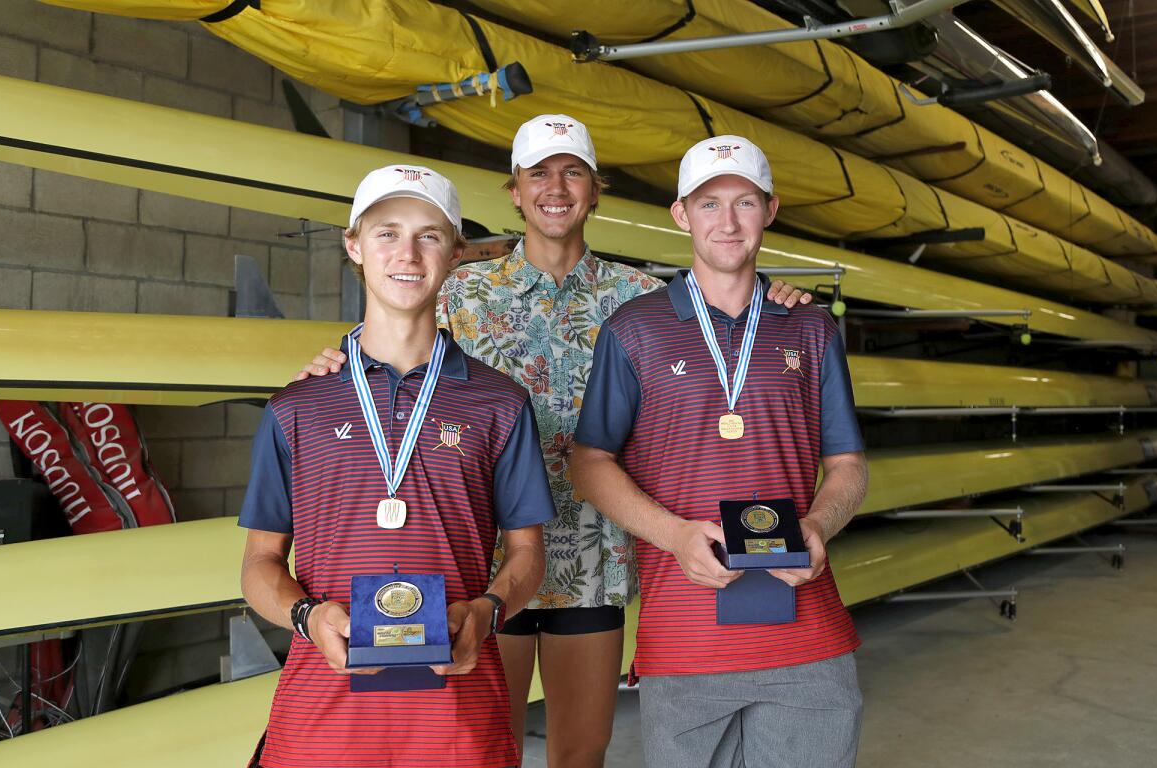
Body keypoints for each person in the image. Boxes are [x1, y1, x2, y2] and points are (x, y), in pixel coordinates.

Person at [297, 115, 812, 767]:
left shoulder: (640, 296)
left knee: (583, 748)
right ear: (514, 190)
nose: (556, 187)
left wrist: (781, 298)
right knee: (490, 746)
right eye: (538, 172)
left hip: (594, 557)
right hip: (487, 562)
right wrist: (329, 364)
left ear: (595, 190)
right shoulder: (460, 290)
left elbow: (730, 331)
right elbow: (389, 358)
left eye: (572, 171)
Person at [240, 164, 555, 768]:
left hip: (459, 718)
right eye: (387, 232)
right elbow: (258, 564)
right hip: (324, 719)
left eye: (429, 235)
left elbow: (527, 556)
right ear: (354, 245)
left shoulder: (500, 402)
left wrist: (484, 614)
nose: (407, 253)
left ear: (456, 253)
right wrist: (309, 616)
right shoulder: (296, 407)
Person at [570, 135, 869, 768]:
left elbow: (848, 464)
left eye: (744, 203)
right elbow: (588, 460)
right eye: (708, 204)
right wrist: (676, 535)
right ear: (681, 215)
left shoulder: (812, 327)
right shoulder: (634, 329)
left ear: (771, 209)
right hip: (686, 637)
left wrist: (818, 524)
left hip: (806, 635)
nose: (727, 222)